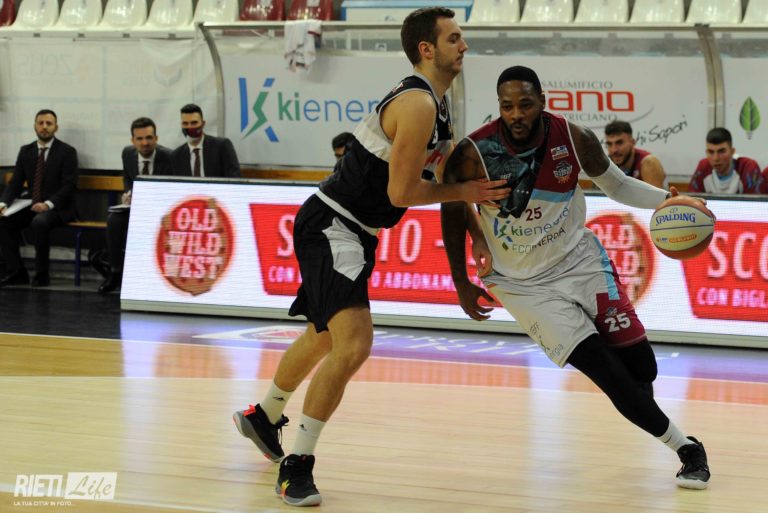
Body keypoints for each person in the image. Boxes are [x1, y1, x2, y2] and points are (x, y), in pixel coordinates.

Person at [231, 7, 509, 507]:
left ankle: (264, 416)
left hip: (352, 229)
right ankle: (297, 465)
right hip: (333, 223)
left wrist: (476, 237)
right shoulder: (417, 104)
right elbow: (403, 193)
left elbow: (444, 184)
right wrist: (467, 190)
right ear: (427, 49)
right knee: (355, 342)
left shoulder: (438, 104)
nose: (464, 45)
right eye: (454, 38)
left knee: (324, 337)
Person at [440, 66, 711, 491]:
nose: (516, 114)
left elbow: (617, 185)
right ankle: (688, 449)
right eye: (507, 106)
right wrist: (460, 281)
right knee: (608, 374)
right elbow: (452, 211)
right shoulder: (473, 152)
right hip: (522, 285)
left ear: (542, 102)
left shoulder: (573, 137)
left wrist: (669, 200)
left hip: (580, 263)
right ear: (499, 107)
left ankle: (642, 410)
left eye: (525, 104)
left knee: (643, 368)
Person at [0, 109, 78, 287]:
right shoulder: (26, 151)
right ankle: (16, 272)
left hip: (58, 207)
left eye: (49, 123)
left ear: (56, 127)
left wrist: (48, 204)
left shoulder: (67, 152)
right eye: (40, 123)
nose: (44, 127)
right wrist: (3, 203)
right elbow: (15, 183)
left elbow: (69, 186)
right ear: (34, 126)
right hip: (32, 204)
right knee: (3, 222)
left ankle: (42, 275)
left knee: (39, 222)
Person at [98, 117, 175, 294]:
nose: (145, 143)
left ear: (156, 138)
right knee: (114, 220)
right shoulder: (127, 153)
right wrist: (128, 193)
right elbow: (127, 177)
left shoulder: (170, 157)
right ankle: (115, 271)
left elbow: (173, 189)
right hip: (136, 208)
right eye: (139, 139)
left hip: (161, 210)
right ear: (133, 141)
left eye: (149, 138)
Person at [170, 104, 241, 178]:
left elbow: (234, 178)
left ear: (203, 124)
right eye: (185, 123)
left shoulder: (222, 146)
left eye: (194, 123)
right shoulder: (176, 156)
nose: (189, 127)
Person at [688, 127, 762, 194]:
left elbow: (755, 203)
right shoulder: (704, 166)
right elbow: (692, 199)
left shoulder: (747, 167)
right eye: (711, 152)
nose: (716, 158)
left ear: (732, 151)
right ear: (706, 152)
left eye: (721, 151)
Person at [603, 120, 668, 189]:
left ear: (632, 142)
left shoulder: (648, 163)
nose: (614, 150)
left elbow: (657, 196)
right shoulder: (606, 164)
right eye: (609, 144)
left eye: (619, 143)